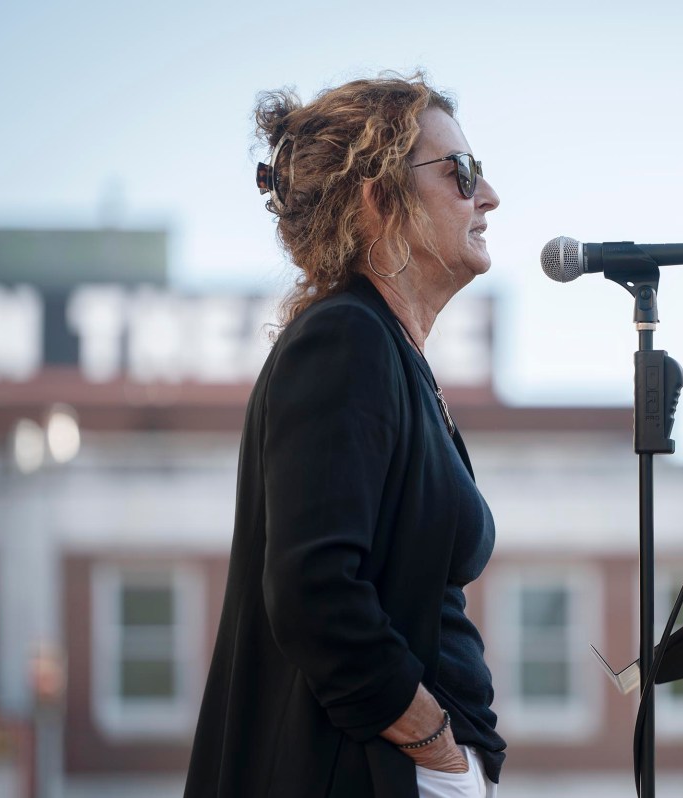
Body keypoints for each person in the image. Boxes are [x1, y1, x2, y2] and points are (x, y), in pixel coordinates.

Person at [184, 73, 503, 798]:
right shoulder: (345, 340)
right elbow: (314, 593)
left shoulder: (386, 351)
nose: (487, 196)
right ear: (378, 200)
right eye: (461, 172)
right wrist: (436, 746)